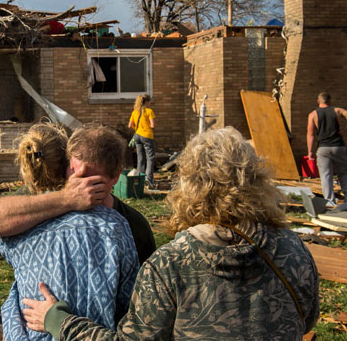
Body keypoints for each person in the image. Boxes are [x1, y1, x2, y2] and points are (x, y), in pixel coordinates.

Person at [23, 127, 320, 341]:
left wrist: (58, 321)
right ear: (258, 180)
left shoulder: (170, 264)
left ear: (189, 185)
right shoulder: (294, 250)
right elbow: (307, 319)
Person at [0, 124, 140, 340]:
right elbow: (132, 307)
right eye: (79, 177)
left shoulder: (24, 218)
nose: (83, 189)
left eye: (93, 183)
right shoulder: (119, 226)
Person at [0, 126, 156, 264]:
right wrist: (66, 199)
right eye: (75, 176)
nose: (81, 188)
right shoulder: (46, 199)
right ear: (67, 165)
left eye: (93, 183)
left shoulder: (133, 225)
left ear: (116, 176)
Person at [307, 92, 347, 206]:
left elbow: (311, 135)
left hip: (323, 148)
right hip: (339, 146)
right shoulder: (337, 111)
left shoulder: (313, 115)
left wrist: (310, 151)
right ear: (330, 101)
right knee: (344, 173)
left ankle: (330, 202)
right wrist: (343, 129)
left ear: (318, 101)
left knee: (326, 176)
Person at [128, 94, 155, 188]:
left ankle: (139, 179)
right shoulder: (149, 111)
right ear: (146, 102)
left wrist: (138, 129)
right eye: (150, 101)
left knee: (140, 157)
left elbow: (130, 125)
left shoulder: (135, 112)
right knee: (150, 158)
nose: (151, 103)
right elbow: (152, 125)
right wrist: (147, 128)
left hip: (138, 136)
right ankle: (149, 180)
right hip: (147, 136)